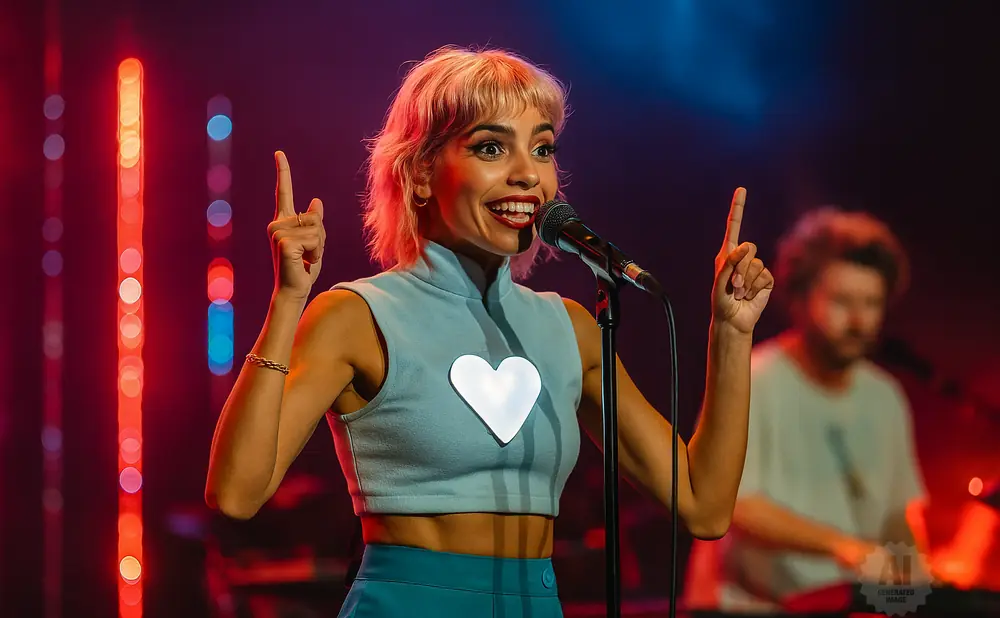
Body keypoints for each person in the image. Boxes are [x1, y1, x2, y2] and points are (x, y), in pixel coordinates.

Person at [204, 45, 775, 617]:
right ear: (420, 173)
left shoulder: (570, 329)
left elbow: (703, 506)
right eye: (491, 148)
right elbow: (235, 494)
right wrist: (288, 301)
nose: (527, 173)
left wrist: (731, 333)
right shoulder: (357, 316)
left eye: (542, 148)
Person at [684, 207, 930, 612]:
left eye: (872, 303)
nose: (858, 320)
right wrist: (843, 546)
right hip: (745, 607)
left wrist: (917, 581)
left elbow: (897, 515)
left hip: (841, 606)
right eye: (842, 301)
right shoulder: (756, 379)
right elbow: (733, 503)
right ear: (798, 299)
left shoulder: (886, 397)